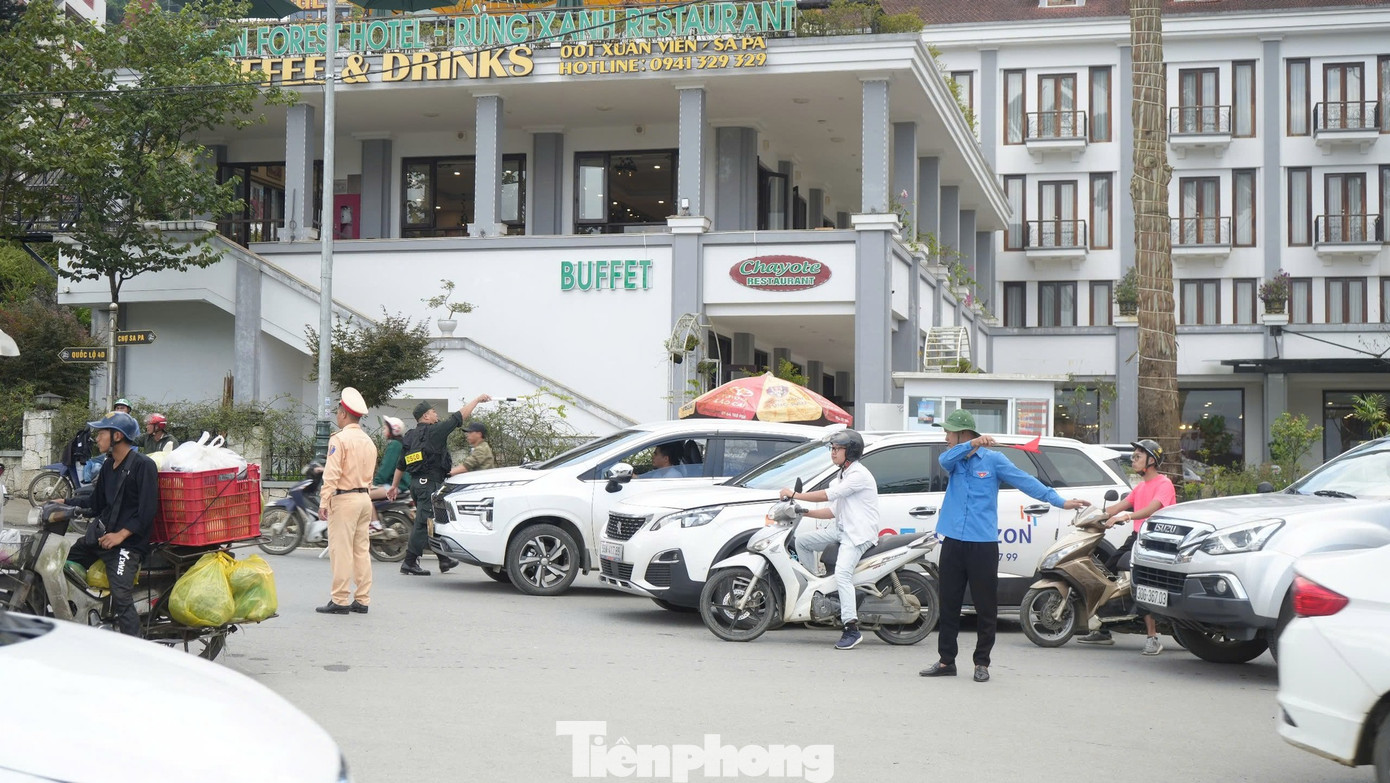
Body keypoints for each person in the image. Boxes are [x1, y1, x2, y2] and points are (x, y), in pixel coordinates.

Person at [920, 410, 1090, 683]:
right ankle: (946, 661)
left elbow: (1027, 482)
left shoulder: (994, 460)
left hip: (983, 543)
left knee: (986, 606)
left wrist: (1060, 501)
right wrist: (972, 444)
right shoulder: (954, 458)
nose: (946, 437)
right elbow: (945, 460)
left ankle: (982, 663)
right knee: (949, 603)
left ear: (963, 432)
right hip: (952, 540)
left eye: (950, 432)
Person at [778, 429, 880, 651]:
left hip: (857, 535)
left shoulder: (858, 475)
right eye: (832, 449)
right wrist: (802, 511)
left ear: (850, 452)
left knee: (843, 574)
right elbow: (832, 511)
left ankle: (851, 629)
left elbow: (827, 495)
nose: (833, 453)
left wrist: (795, 495)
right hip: (843, 531)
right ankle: (821, 589)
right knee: (803, 542)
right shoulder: (843, 474)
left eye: (837, 449)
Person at [1077, 439, 1177, 655]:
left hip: (1156, 541)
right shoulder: (1140, 487)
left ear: (1152, 460)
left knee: (1140, 581)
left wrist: (1127, 516)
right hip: (1136, 538)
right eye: (1133, 456)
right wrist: (1092, 516)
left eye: (1138, 456)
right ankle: (1104, 628)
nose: (1133, 460)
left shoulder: (1164, 484)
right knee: (1108, 570)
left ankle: (1152, 637)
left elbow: (1152, 509)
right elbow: (1118, 506)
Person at [64, 412, 158, 636]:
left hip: (128, 545)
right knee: (65, 565)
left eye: (101, 433)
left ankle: (135, 651)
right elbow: (96, 504)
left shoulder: (143, 466)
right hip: (102, 537)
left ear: (117, 436)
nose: (97, 438)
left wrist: (121, 536)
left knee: (122, 595)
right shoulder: (108, 465)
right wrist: (64, 503)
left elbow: (147, 512)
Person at [391, 394, 492, 576]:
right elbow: (459, 416)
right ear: (425, 417)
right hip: (429, 484)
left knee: (433, 520)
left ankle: (443, 560)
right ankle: (409, 562)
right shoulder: (435, 431)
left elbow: (401, 464)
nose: (436, 415)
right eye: (433, 412)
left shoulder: (410, 436)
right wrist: (476, 400)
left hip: (416, 484)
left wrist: (393, 486)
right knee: (423, 522)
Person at [316, 387, 378, 615]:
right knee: (361, 550)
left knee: (341, 550)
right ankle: (362, 599)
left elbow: (331, 474)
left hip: (345, 499)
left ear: (343, 414)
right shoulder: (369, 442)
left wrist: (324, 501)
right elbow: (371, 476)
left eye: (338, 411)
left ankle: (340, 599)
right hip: (364, 498)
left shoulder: (339, 440)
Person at [369, 416, 409, 526]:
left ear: (393, 430)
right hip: (402, 485)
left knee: (363, 496)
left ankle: (375, 524)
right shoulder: (402, 444)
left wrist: (375, 483)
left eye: (385, 428)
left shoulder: (395, 445)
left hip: (395, 486)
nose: (383, 430)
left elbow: (386, 468)